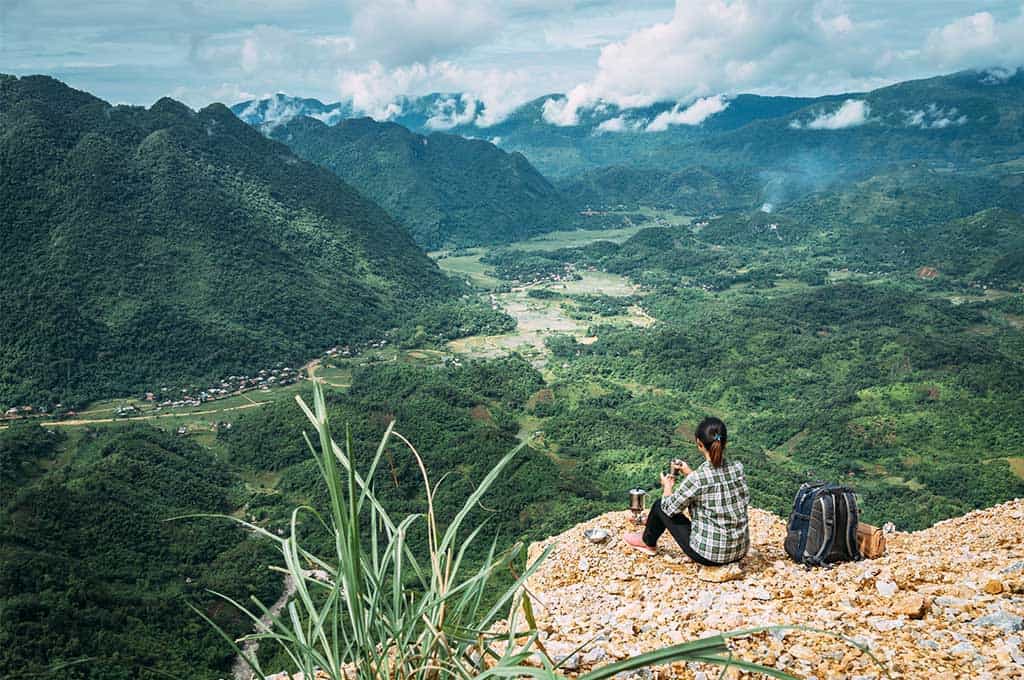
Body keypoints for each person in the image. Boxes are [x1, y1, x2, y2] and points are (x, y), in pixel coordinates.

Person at [624, 417, 749, 566]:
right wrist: (689, 472)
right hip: (740, 551)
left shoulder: (697, 479)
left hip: (710, 556)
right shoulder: (738, 468)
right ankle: (646, 535)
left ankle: (647, 542)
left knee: (659, 505)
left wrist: (667, 486)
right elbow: (713, 486)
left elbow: (669, 508)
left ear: (699, 444)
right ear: (725, 442)